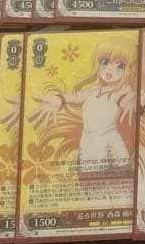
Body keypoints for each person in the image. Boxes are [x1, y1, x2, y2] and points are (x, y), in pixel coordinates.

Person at [27, 35, 139, 178]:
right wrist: (59, 99)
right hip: (88, 143)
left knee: (113, 179)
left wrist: (132, 101)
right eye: (105, 62)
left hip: (110, 146)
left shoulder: (122, 91)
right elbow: (77, 96)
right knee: (89, 179)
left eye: (119, 66)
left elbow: (125, 100)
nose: (109, 70)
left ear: (130, 70)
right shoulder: (95, 90)